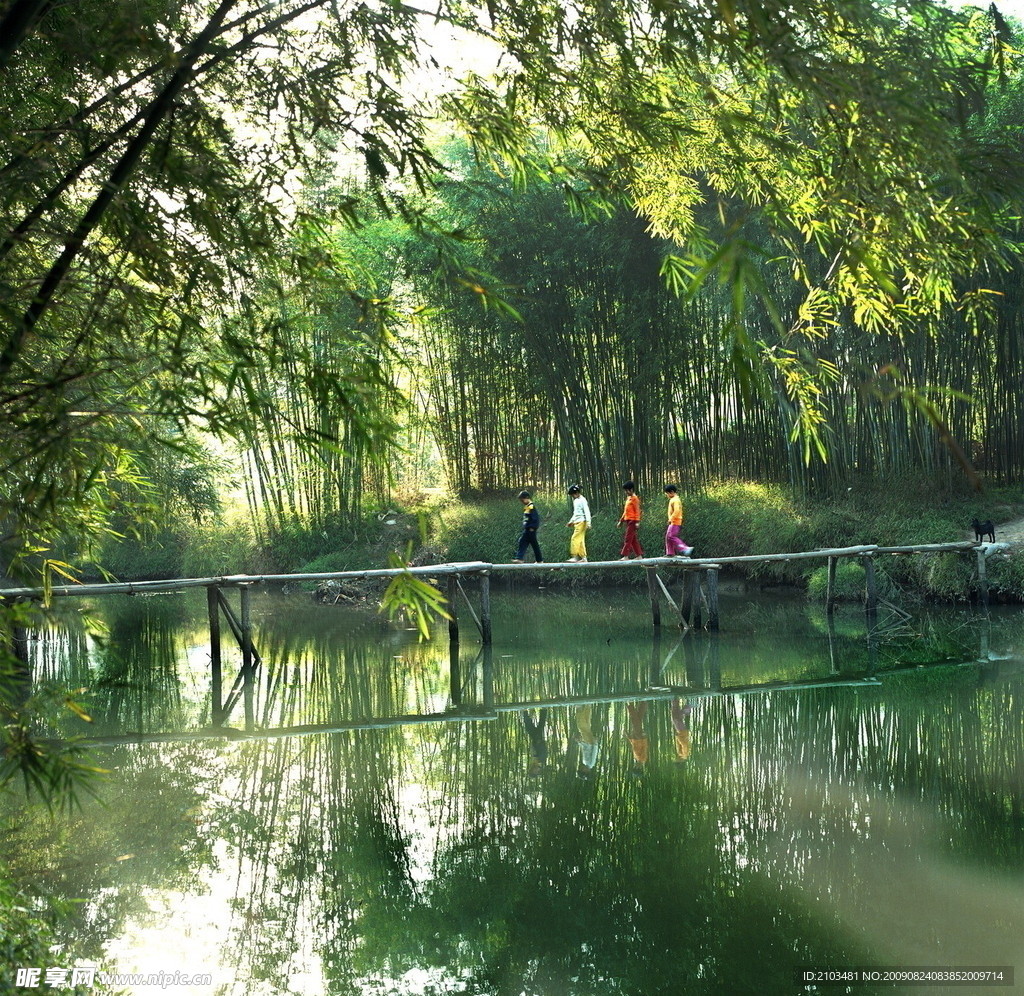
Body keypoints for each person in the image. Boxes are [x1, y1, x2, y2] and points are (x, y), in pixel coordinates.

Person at [512, 489, 543, 563]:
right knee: (524, 542)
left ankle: (520, 558)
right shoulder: (527, 506)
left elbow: (535, 518)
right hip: (527, 529)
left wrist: (533, 527)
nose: (521, 502)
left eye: (522, 500)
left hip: (530, 529)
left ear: (526, 498)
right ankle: (521, 558)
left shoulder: (531, 506)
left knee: (531, 544)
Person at [663, 483, 693, 557]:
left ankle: (685, 548)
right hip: (674, 521)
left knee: (671, 536)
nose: (667, 495)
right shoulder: (674, 499)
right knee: (668, 537)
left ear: (672, 492)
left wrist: (671, 519)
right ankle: (670, 553)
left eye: (667, 493)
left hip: (675, 521)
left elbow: (676, 511)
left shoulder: (675, 500)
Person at [617, 480, 644, 559]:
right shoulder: (628, 498)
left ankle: (626, 556)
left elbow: (637, 511)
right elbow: (625, 511)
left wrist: (637, 522)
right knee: (633, 540)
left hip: (633, 521)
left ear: (631, 489)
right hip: (628, 521)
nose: (626, 492)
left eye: (627, 490)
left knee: (628, 538)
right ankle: (639, 555)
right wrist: (621, 521)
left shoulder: (635, 499)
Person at [565, 484, 591, 562]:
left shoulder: (583, 500)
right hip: (577, 522)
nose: (573, 496)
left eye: (573, 494)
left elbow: (587, 511)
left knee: (574, 538)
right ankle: (584, 557)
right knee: (580, 540)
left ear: (576, 493)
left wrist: (588, 522)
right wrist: (571, 522)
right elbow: (576, 513)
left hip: (582, 522)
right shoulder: (576, 501)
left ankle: (575, 556)